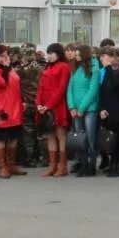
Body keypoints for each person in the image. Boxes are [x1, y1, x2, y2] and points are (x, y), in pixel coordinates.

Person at [0, 45, 26, 179]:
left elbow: (16, 83)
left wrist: (23, 100)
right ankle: (2, 167)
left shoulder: (9, 68)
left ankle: (11, 165)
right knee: (0, 137)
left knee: (14, 136)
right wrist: (7, 68)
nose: (5, 58)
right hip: (1, 108)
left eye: (6, 55)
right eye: (2, 56)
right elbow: (1, 83)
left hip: (15, 106)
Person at [36, 43, 73, 177]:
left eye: (51, 53)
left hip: (58, 106)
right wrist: (39, 104)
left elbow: (61, 89)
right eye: (48, 53)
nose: (49, 56)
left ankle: (62, 166)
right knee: (50, 136)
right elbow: (41, 87)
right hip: (45, 106)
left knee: (60, 135)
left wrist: (48, 105)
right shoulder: (47, 67)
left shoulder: (64, 67)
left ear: (58, 53)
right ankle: (52, 165)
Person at [66, 43, 102, 177]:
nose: (76, 57)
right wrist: (72, 107)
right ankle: (82, 164)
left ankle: (91, 166)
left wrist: (81, 108)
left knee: (90, 138)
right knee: (79, 139)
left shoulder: (94, 69)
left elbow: (93, 91)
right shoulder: (75, 69)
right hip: (76, 110)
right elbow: (69, 89)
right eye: (75, 55)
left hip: (89, 109)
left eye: (78, 55)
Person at [98, 46, 119, 176]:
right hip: (107, 109)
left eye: (112, 56)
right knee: (110, 138)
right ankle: (113, 163)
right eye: (108, 56)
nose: (109, 59)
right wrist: (101, 108)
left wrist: (107, 68)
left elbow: (114, 84)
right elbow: (102, 91)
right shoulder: (106, 72)